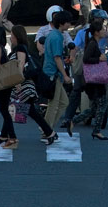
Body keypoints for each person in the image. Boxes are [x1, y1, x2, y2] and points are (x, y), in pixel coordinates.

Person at [9, 25, 57, 144]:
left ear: (16, 36)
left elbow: (20, 66)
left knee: (9, 110)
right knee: (30, 111)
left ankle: (7, 136)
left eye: (12, 35)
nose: (10, 38)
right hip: (25, 85)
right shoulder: (23, 47)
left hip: (23, 85)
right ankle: (50, 132)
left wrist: (17, 81)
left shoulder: (20, 49)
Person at [71, 19, 108, 140]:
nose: (105, 31)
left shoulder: (94, 42)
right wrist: (100, 59)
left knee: (94, 108)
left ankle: (73, 121)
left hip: (94, 80)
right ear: (97, 32)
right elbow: (86, 59)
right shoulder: (93, 44)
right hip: (95, 80)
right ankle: (96, 130)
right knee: (102, 105)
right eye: (103, 29)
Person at [41, 11, 71, 139]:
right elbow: (57, 58)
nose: (69, 24)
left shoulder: (53, 34)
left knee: (63, 102)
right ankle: (46, 130)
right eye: (68, 22)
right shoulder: (58, 37)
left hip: (50, 73)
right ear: (62, 23)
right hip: (53, 74)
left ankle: (47, 127)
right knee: (54, 104)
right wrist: (65, 75)